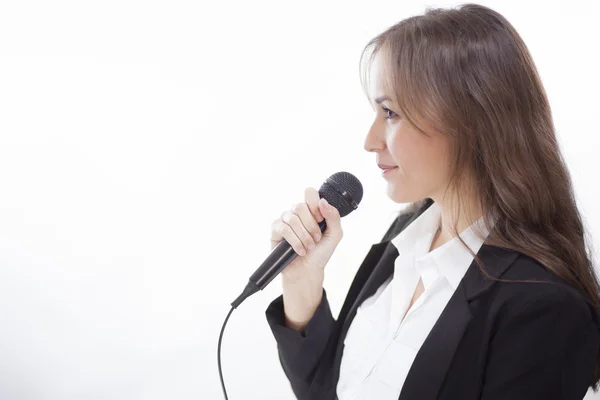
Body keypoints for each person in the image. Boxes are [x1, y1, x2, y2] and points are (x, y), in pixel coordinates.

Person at [264, 3, 600, 400]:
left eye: (390, 113)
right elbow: (327, 390)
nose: (370, 141)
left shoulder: (543, 311)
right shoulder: (404, 239)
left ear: (469, 120)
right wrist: (302, 282)